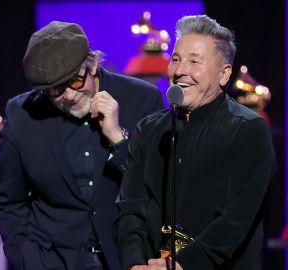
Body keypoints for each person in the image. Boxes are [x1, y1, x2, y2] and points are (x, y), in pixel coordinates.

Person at [0, 21, 164, 270]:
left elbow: (158, 187)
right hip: (52, 261)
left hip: (126, 260)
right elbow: (10, 201)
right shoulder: (22, 114)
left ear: (93, 64)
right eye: (56, 89)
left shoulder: (142, 99)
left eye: (75, 81)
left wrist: (119, 139)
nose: (70, 95)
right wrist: (26, 258)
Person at [116, 15, 276, 270]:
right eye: (176, 59)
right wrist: (134, 263)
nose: (180, 71)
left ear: (224, 74)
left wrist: (180, 266)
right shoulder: (148, 129)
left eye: (194, 61)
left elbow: (234, 221)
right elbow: (131, 208)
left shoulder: (248, 130)